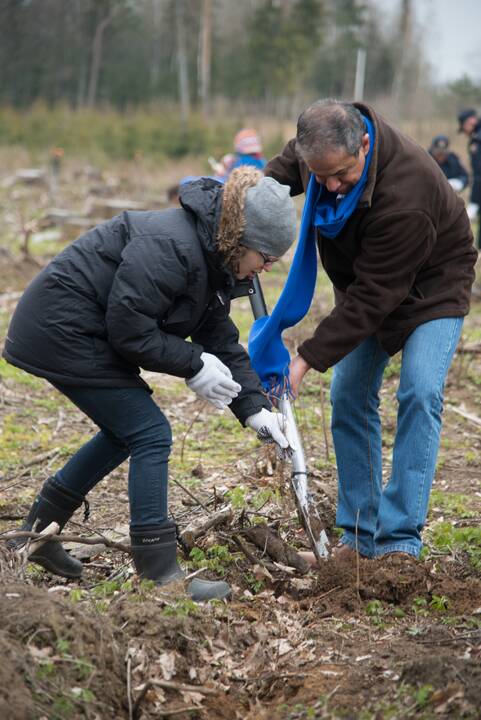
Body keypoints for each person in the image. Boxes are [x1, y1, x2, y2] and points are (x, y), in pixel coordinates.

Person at [4, 167, 297, 600]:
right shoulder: (173, 247)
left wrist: (254, 408)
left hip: (86, 330)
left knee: (128, 432)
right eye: (266, 257)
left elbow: (220, 337)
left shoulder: (214, 259)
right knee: (150, 433)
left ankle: (35, 537)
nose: (268, 268)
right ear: (239, 238)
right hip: (60, 329)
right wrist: (193, 363)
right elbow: (128, 329)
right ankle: (159, 573)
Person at [265, 99, 477, 562]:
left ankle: (400, 538)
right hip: (370, 282)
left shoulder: (408, 193)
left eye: (340, 175)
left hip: (432, 289)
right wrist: (230, 207)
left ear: (364, 142)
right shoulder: (319, 156)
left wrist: (305, 359)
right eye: (319, 177)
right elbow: (268, 182)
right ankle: (360, 537)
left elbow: (373, 300)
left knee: (420, 392)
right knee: (349, 397)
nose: (330, 186)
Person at [458, 107, 481, 248]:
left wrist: (474, 201)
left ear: (470, 121)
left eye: (463, 127)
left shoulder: (477, 140)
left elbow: (479, 174)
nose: (465, 132)